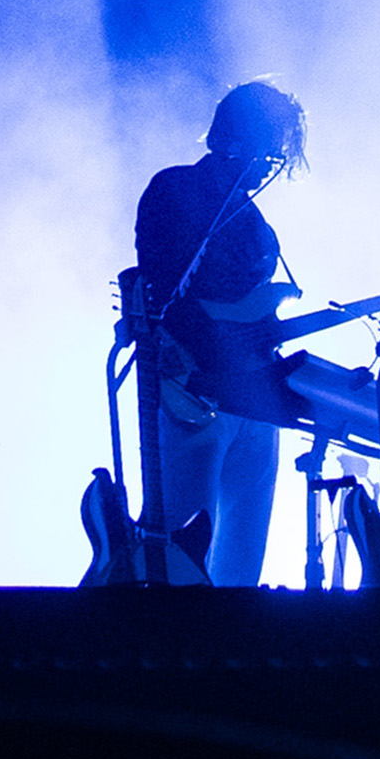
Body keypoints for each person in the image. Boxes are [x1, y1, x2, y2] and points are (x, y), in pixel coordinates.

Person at [133, 79, 311, 588]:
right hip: (194, 394)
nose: (272, 166)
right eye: (270, 151)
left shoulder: (258, 226)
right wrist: (217, 352)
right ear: (237, 142)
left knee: (241, 569)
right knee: (181, 558)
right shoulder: (172, 191)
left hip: (254, 404)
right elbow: (166, 295)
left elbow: (256, 316)